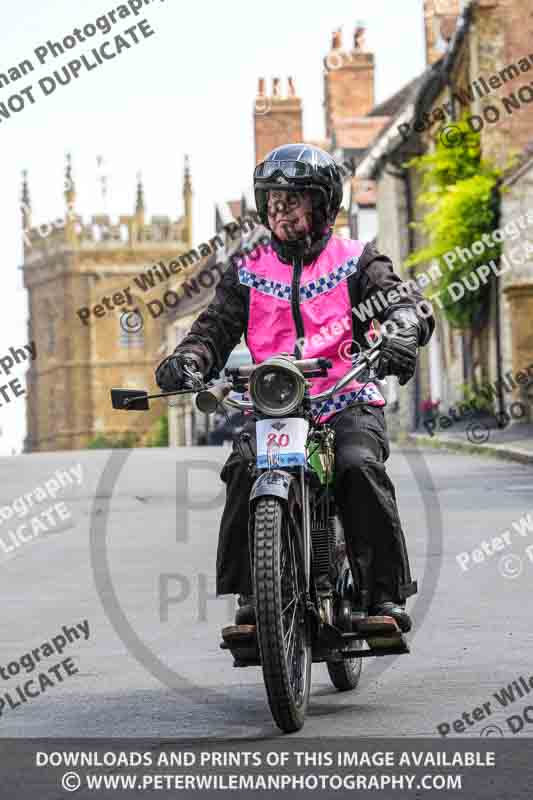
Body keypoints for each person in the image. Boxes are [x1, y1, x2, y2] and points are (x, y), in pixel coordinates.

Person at [155, 143, 434, 633]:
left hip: (345, 398)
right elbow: (213, 328)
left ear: (323, 205)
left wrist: (403, 331)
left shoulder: (356, 260)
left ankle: (384, 594)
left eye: (294, 199)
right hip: (276, 405)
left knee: (357, 466)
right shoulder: (249, 269)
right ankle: (253, 597)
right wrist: (188, 359)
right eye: (273, 201)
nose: (280, 210)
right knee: (244, 468)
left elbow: (403, 304)